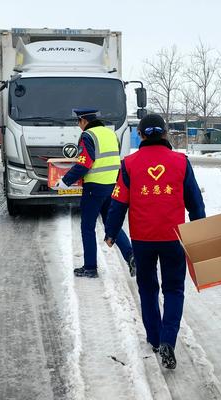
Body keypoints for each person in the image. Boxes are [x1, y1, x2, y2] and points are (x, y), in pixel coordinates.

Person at [104, 113, 205, 369]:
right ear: (165, 134)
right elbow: (195, 201)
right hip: (173, 239)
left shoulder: (129, 164)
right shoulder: (181, 162)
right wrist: (200, 229)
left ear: (141, 134)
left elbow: (118, 203)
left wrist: (111, 232)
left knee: (148, 289)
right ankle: (169, 340)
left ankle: (155, 338)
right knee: (174, 290)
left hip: (142, 240)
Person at [55, 108, 135, 278]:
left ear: (84, 121)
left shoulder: (88, 136)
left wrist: (65, 181)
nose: (79, 126)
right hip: (112, 185)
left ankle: (90, 267)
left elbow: (85, 163)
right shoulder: (110, 134)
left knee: (88, 227)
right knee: (112, 224)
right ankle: (131, 255)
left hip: (94, 188)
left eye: (78, 122)